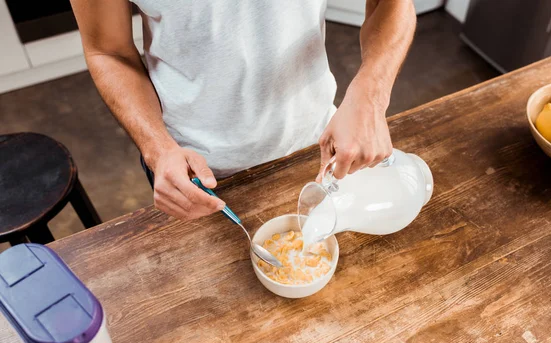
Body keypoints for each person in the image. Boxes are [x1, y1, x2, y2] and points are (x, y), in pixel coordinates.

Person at [70, 0, 416, 220]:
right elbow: (107, 50)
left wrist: (371, 94)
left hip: (320, 145)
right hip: (194, 169)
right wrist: (158, 150)